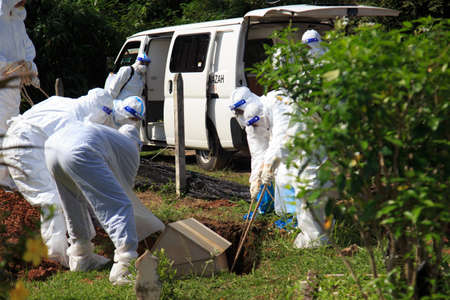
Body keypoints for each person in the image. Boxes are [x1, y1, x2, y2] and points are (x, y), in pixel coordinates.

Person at [2, 89, 145, 266]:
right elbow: (114, 189)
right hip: (24, 148)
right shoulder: (75, 119)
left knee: (67, 195)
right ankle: (57, 257)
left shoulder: (72, 106)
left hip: (39, 146)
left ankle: (79, 255)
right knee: (52, 199)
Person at [44, 122, 164, 285]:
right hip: (79, 148)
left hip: (52, 148)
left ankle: (81, 257)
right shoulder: (130, 148)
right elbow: (123, 191)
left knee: (73, 203)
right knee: (120, 205)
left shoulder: (110, 137)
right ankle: (125, 267)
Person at [230, 86, 330, 248]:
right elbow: (258, 153)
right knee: (282, 177)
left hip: (304, 141)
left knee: (305, 181)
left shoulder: (277, 102)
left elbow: (281, 138)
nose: (255, 126)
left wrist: (268, 166)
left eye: (256, 122)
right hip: (285, 149)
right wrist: (255, 180)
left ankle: (314, 235)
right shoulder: (251, 121)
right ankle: (290, 218)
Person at [0, 0, 39, 189]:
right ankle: (2, 180)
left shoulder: (18, 23)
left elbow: (28, 49)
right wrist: (8, 66)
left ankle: (8, 176)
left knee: (11, 130)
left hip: (13, 89)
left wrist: (29, 66)